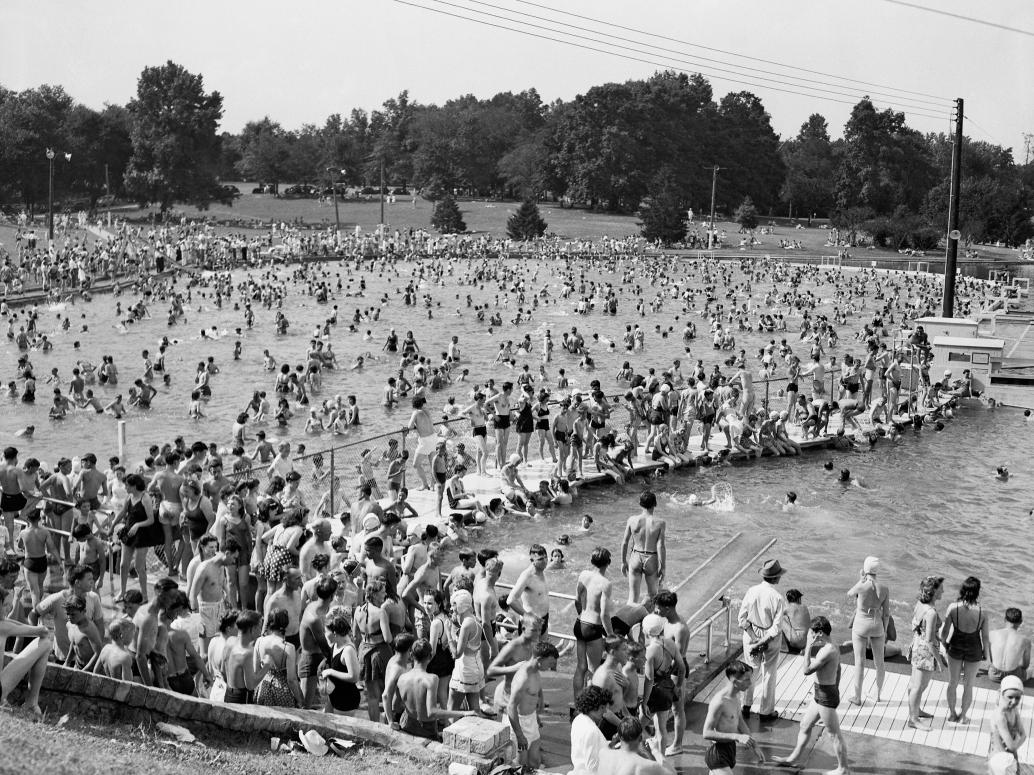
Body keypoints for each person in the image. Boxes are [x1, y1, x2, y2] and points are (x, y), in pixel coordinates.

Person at [773, 616, 848, 774]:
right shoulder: (833, 646)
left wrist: (808, 645)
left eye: (811, 633)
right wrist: (837, 688)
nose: (810, 635)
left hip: (825, 697)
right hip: (822, 693)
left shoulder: (828, 650)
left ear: (819, 633)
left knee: (834, 734)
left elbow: (806, 670)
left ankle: (843, 769)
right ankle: (793, 758)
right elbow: (839, 668)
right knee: (805, 725)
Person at [396, 638, 477, 740]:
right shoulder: (431, 679)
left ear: (411, 656)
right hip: (426, 730)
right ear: (430, 657)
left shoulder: (402, 678)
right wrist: (463, 713)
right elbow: (432, 712)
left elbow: (396, 706)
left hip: (406, 725)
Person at [738, 559, 786, 721]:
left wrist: (755, 639)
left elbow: (742, 618)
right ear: (776, 578)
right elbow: (776, 628)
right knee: (769, 673)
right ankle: (766, 711)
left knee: (751, 670)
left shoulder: (751, 591)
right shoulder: (778, 598)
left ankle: (746, 705)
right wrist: (762, 641)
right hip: (769, 639)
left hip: (751, 634)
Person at [941, 576, 991, 724]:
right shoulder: (982, 612)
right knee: (969, 685)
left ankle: (951, 713)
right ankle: (963, 716)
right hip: (974, 650)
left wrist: (945, 645)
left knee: (953, 682)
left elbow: (944, 632)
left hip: (955, 647)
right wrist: (985, 654)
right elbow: (986, 637)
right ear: (977, 592)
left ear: (962, 589)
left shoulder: (953, 608)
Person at [701, 661, 762, 775]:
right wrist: (737, 736)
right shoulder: (719, 702)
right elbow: (706, 733)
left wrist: (755, 746)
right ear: (734, 681)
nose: (750, 683)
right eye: (746, 680)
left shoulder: (736, 696)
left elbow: (740, 723)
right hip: (717, 754)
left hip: (729, 750)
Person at [508, 640, 561, 770]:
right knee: (520, 767)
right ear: (539, 659)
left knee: (535, 763)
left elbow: (533, 694)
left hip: (531, 720)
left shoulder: (535, 670)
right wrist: (519, 735)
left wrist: (535, 716)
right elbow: (511, 707)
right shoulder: (523, 678)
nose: (550, 667)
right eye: (549, 663)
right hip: (519, 724)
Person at [846, 555, 890, 705]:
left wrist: (860, 578)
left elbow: (850, 593)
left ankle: (857, 697)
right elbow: (886, 613)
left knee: (860, 662)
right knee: (880, 663)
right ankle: (878, 695)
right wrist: (883, 629)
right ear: (877, 570)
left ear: (865, 569)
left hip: (861, 625)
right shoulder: (884, 588)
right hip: (877, 625)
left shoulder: (861, 586)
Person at [573, 547, 614, 699]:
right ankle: (589, 705)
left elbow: (576, 600)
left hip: (580, 623)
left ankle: (577, 701)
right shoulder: (605, 584)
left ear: (592, 561)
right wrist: (610, 636)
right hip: (593, 628)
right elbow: (604, 614)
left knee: (581, 667)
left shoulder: (583, 575)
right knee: (594, 671)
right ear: (608, 563)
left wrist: (582, 616)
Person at [907, 575, 945, 731]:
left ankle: (915, 711)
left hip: (916, 645)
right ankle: (913, 719)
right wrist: (940, 661)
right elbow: (930, 640)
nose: (943, 591)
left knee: (914, 683)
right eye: (941, 588)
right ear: (934, 591)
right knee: (919, 686)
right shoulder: (931, 613)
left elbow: (920, 628)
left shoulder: (920, 605)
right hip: (925, 651)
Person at [620, 490, 666, 604]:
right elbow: (661, 546)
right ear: (655, 504)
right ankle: (646, 619)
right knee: (652, 595)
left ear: (640, 504)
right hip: (651, 557)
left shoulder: (632, 520)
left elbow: (625, 542)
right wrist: (663, 566)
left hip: (636, 555)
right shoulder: (660, 523)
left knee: (633, 596)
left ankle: (629, 620)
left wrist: (623, 562)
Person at [598, 717, 675, 775]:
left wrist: (613, 742)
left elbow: (608, 747)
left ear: (619, 736)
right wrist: (655, 751)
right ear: (641, 738)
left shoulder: (603, 753)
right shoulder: (646, 765)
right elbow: (672, 773)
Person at [568, 685, 610, 775]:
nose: (605, 711)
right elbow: (592, 769)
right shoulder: (592, 731)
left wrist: (609, 744)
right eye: (603, 707)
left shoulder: (578, 719)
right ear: (593, 706)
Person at [988, 675, 1027, 768]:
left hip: (1010, 756)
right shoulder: (1000, 716)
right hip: (999, 758)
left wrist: (1013, 750)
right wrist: (1014, 747)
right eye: (1010, 697)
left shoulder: (1014, 710)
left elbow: (1024, 735)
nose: (1014, 702)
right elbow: (1012, 745)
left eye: (1017, 698)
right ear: (1001, 694)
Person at [988, 608, 1031, 683]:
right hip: (1014, 678)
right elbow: (1025, 666)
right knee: (1030, 671)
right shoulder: (1026, 641)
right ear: (1021, 622)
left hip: (994, 675)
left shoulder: (992, 634)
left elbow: (992, 660)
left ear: (1005, 619)